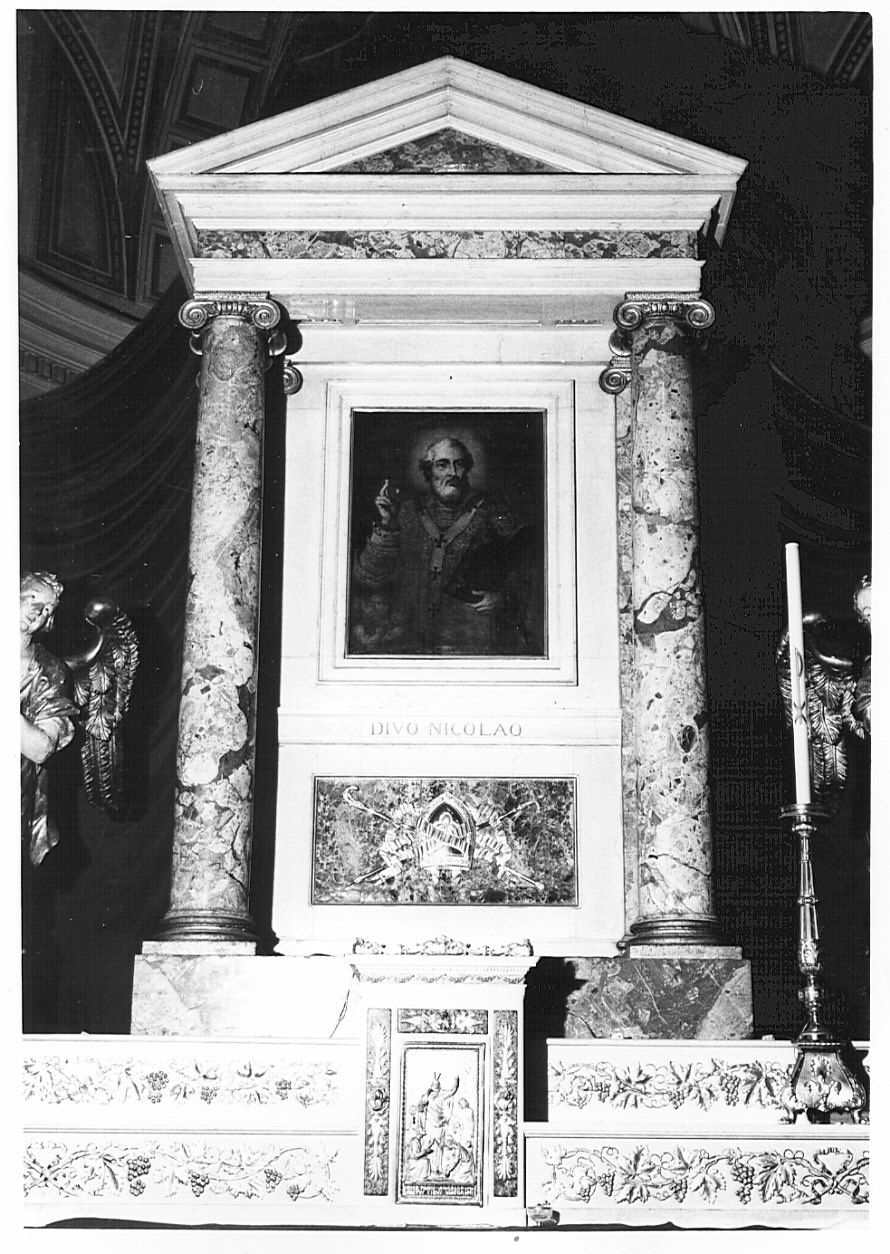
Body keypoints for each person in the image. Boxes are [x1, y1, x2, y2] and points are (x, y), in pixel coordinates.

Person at [352, 436, 542, 656]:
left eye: (459, 464)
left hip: (471, 640)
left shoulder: (494, 513)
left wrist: (504, 599)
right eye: (442, 465)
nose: (452, 473)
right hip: (409, 638)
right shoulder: (403, 513)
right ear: (428, 471)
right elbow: (369, 576)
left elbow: (529, 575)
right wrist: (387, 523)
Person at [20, 571, 77, 868]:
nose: (38, 611)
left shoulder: (50, 671)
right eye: (32, 598)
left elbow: (41, 749)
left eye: (46, 609)